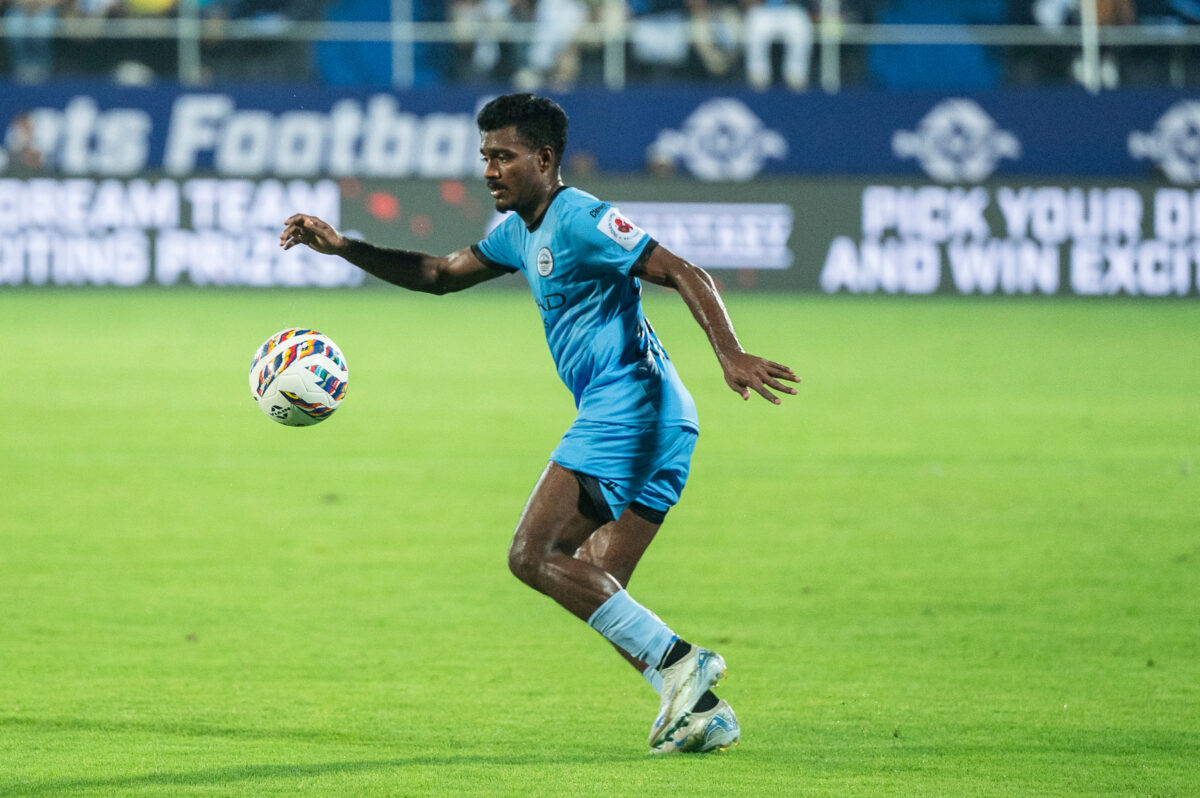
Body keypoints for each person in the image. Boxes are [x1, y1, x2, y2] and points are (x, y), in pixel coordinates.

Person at [280, 93, 799, 754]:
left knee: (532, 556)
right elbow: (440, 274)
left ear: (545, 158)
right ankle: (702, 709)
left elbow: (679, 269)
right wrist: (344, 247)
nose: (490, 169)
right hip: (664, 421)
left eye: (504, 156)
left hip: (628, 409)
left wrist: (729, 352)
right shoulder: (518, 233)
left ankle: (680, 665)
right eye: (485, 157)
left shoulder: (580, 217)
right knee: (597, 580)